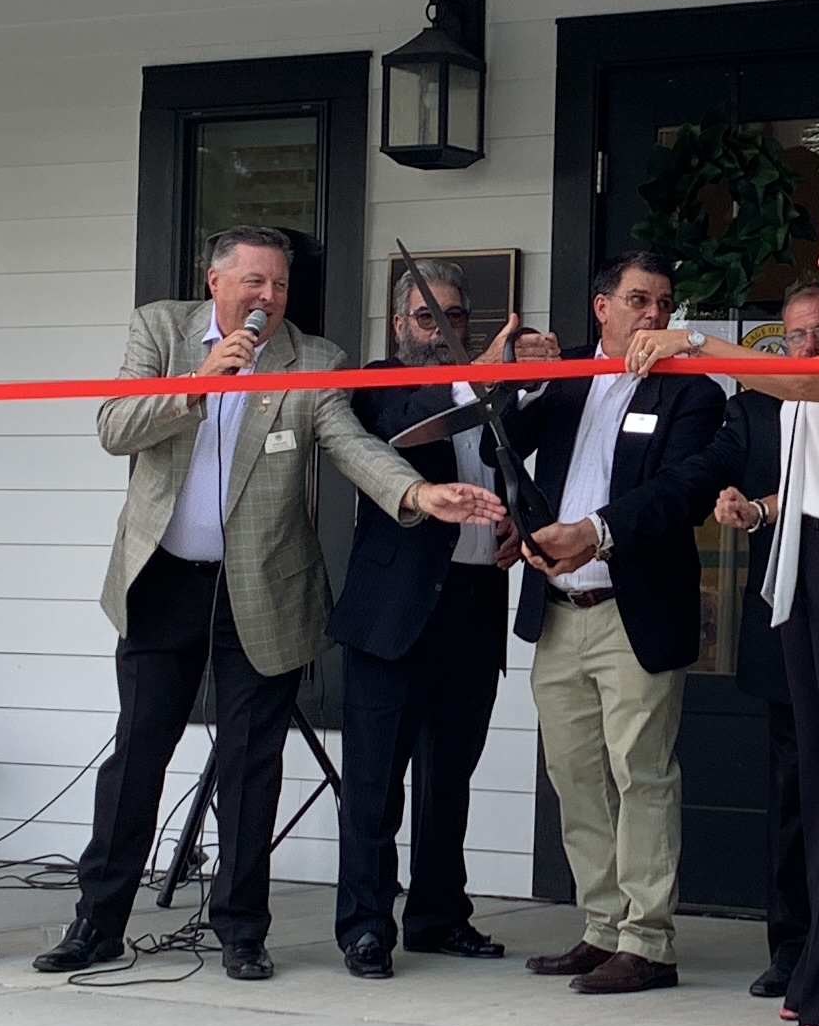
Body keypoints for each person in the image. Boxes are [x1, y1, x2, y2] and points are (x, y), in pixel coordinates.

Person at [35, 226, 506, 981]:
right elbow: (114, 427)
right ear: (215, 283)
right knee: (138, 757)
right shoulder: (159, 329)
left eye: (280, 285)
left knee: (253, 767)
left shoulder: (312, 361)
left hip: (266, 587)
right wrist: (199, 383)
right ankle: (98, 923)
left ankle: (241, 931)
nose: (269, 299)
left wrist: (415, 492)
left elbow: (351, 443)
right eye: (255, 283)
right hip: (165, 581)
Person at [632, 191, 819, 1026]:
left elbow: (804, 382)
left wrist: (695, 344)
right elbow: (816, 463)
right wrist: (762, 512)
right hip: (817, 560)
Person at [513, 251, 742, 995]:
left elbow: (681, 490)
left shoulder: (690, 391)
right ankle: (602, 927)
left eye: (664, 303)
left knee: (640, 774)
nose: (653, 316)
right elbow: (497, 450)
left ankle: (648, 941)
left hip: (630, 608)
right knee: (573, 776)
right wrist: (526, 383)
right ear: (600, 307)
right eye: (638, 300)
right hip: (557, 605)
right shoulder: (569, 377)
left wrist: (597, 531)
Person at [325, 262, 560, 978]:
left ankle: (436, 914)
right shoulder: (379, 382)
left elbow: (513, 461)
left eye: (455, 319)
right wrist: (478, 376)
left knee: (448, 777)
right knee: (373, 783)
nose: (442, 331)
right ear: (400, 326)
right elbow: (399, 431)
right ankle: (366, 926)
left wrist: (536, 384)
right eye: (429, 319)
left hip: (473, 604)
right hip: (393, 614)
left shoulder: (485, 388)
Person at [713, 283, 819, 1000]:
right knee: (792, 792)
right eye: (795, 338)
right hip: (782, 617)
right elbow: (708, 471)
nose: (810, 349)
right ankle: (792, 947)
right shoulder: (756, 407)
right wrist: (735, 502)